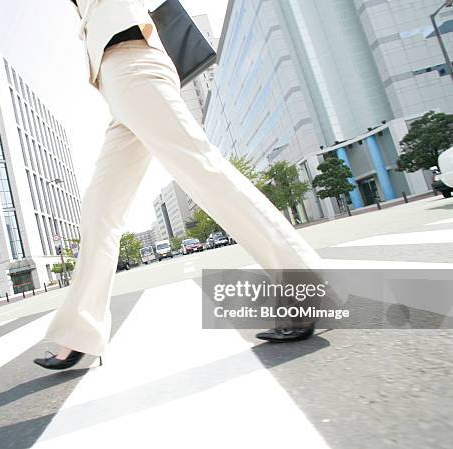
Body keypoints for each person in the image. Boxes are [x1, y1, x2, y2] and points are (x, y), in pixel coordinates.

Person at [34, 0, 322, 371]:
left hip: (134, 63)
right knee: (99, 211)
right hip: (118, 85)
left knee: (204, 171)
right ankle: (79, 332)